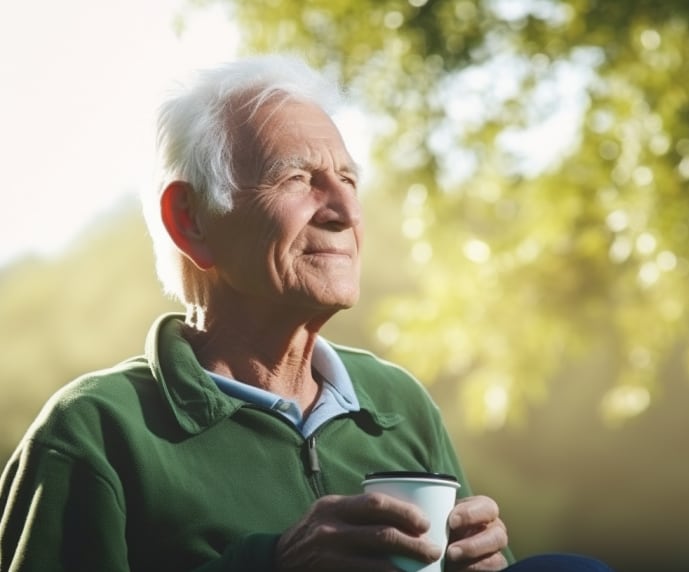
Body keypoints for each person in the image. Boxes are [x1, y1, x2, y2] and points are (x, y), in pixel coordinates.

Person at [0, 55, 612, 572]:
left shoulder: (397, 402)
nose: (344, 209)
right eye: (297, 178)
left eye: (348, 178)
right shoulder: (94, 433)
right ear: (190, 220)